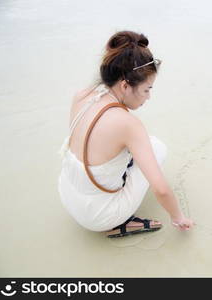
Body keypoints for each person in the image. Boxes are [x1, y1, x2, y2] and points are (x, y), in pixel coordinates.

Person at [58, 30, 194, 238]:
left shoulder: (82, 95)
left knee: (127, 147)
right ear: (124, 85)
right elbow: (161, 190)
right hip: (97, 217)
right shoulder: (128, 124)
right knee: (157, 148)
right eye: (147, 89)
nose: (148, 97)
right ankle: (120, 222)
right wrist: (179, 218)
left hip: (67, 195)